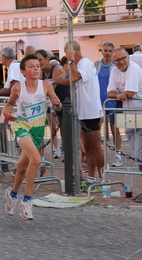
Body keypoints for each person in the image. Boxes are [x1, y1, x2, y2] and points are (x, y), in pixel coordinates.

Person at [3, 54, 62, 220]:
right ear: (23, 71)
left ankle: (12, 194)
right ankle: (27, 200)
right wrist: (7, 112)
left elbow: (58, 107)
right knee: (36, 160)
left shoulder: (46, 85)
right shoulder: (17, 88)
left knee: (22, 167)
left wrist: (57, 103)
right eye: (31, 66)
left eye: (37, 66)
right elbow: (8, 106)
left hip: (37, 130)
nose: (36, 69)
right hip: (21, 126)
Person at [107, 48, 142, 203]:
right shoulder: (115, 70)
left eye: (123, 58)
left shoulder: (134, 68)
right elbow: (109, 92)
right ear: (113, 62)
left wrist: (120, 95)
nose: (121, 62)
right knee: (138, 156)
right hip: (131, 117)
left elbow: (129, 93)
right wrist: (118, 95)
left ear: (128, 57)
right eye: (117, 60)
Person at [61, 40, 104, 185]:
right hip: (83, 112)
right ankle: (91, 177)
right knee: (88, 148)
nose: (65, 56)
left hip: (91, 111)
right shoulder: (78, 65)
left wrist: (71, 60)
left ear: (71, 51)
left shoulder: (84, 63)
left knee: (96, 147)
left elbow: (74, 78)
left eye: (65, 52)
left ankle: (102, 177)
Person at [35, 49, 70, 159]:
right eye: (36, 60)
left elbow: (49, 90)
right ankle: (68, 158)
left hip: (68, 104)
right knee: (64, 134)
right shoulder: (42, 72)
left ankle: (79, 160)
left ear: (47, 59)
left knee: (72, 136)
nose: (38, 63)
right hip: (58, 105)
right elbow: (39, 89)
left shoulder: (57, 69)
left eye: (40, 59)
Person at [94, 42, 123, 167]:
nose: (107, 53)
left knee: (115, 129)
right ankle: (97, 155)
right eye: (105, 50)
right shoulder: (96, 65)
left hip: (112, 102)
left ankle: (118, 156)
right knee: (96, 130)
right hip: (98, 102)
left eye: (110, 51)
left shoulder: (116, 67)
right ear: (101, 51)